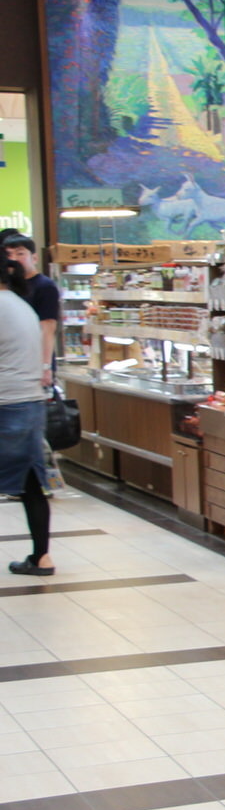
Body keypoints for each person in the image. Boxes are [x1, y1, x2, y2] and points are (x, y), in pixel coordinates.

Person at [0, 254, 53, 576]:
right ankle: (42, 557)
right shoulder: (19, 304)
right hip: (30, 403)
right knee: (30, 482)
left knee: (25, 481)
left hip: (7, 404)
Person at [3, 235, 58, 389]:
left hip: (35, 366)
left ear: (34, 258)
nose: (13, 259)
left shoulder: (45, 286)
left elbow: (47, 328)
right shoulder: (8, 287)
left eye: (20, 254)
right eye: (9, 255)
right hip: (13, 365)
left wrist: (46, 367)